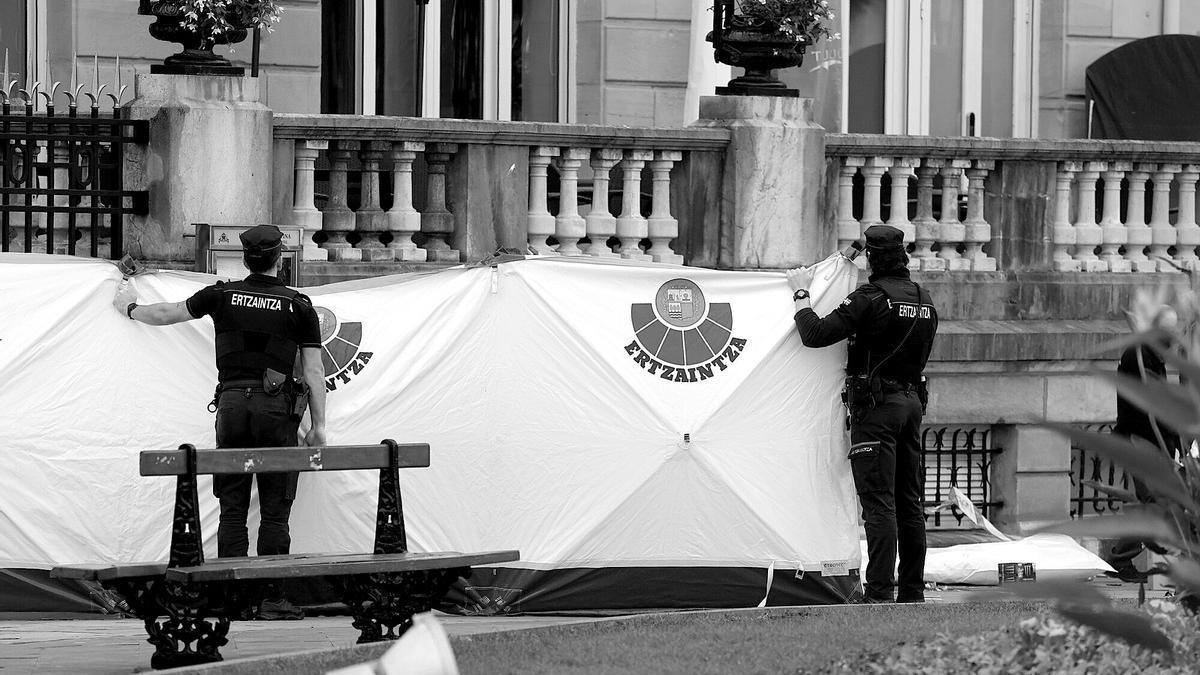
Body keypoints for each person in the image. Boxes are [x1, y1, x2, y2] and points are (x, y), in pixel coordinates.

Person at [112, 224, 327, 619]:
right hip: (277, 412)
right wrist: (319, 427)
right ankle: (273, 599)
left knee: (232, 508)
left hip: (231, 407)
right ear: (280, 260)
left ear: (246, 259)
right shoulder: (299, 306)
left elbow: (167, 312)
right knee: (275, 510)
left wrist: (128, 306)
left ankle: (235, 601)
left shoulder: (222, 294)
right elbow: (313, 373)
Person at [786, 224, 938, 604]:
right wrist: (849, 257)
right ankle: (913, 592)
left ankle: (880, 594)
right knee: (909, 503)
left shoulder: (870, 297)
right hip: (911, 406)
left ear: (872, 258)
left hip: (877, 408)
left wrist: (801, 293)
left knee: (878, 503)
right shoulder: (924, 298)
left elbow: (815, 334)